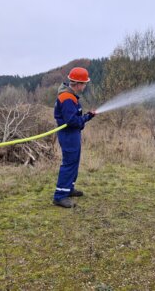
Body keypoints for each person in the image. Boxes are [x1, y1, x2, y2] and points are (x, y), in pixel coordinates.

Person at [53, 67, 96, 208]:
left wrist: (87, 116)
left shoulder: (70, 96)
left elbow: (74, 118)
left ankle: (68, 189)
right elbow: (71, 121)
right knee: (69, 163)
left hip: (73, 134)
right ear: (78, 83)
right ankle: (60, 196)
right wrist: (87, 117)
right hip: (68, 134)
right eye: (84, 83)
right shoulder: (67, 98)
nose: (85, 86)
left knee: (74, 162)